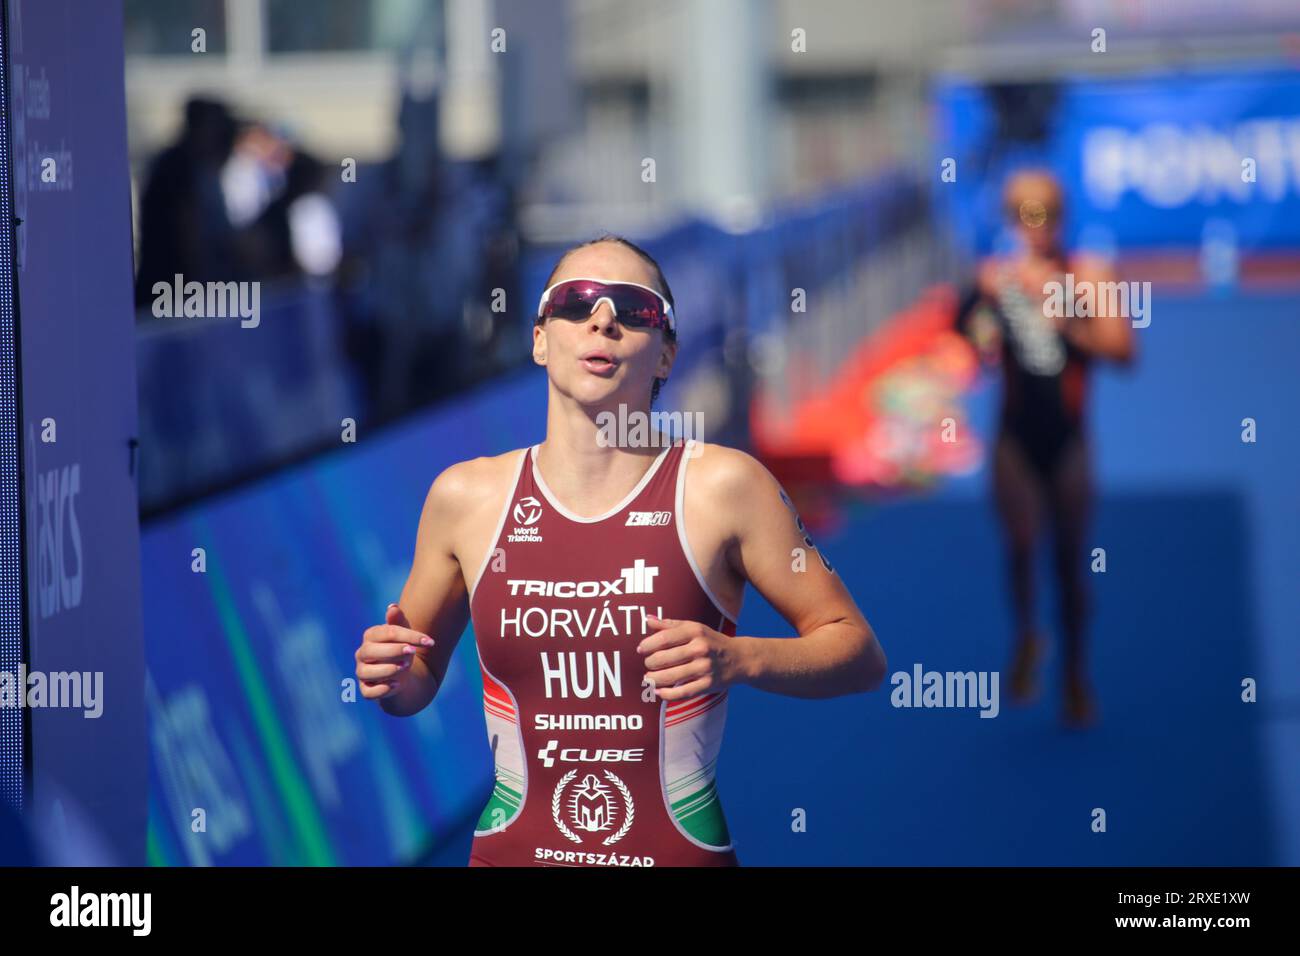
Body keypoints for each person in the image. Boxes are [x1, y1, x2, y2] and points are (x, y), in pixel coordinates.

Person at [354, 235, 887, 867]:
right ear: (540, 339)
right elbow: (415, 684)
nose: (602, 319)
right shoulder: (465, 496)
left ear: (665, 355)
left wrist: (742, 658)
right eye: (575, 303)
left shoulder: (723, 487)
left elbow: (859, 653)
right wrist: (387, 675)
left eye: (633, 309)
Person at [956, 169, 1136, 729]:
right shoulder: (993, 277)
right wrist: (981, 330)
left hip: (1069, 439)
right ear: (1012, 222)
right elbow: (966, 339)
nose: (1037, 228)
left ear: (1063, 218)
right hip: (1014, 435)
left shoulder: (1089, 275)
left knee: (1068, 560)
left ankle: (1076, 676)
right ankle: (1028, 634)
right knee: (1020, 545)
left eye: (1047, 216)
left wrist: (1071, 324)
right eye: (1025, 217)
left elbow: (1125, 352)